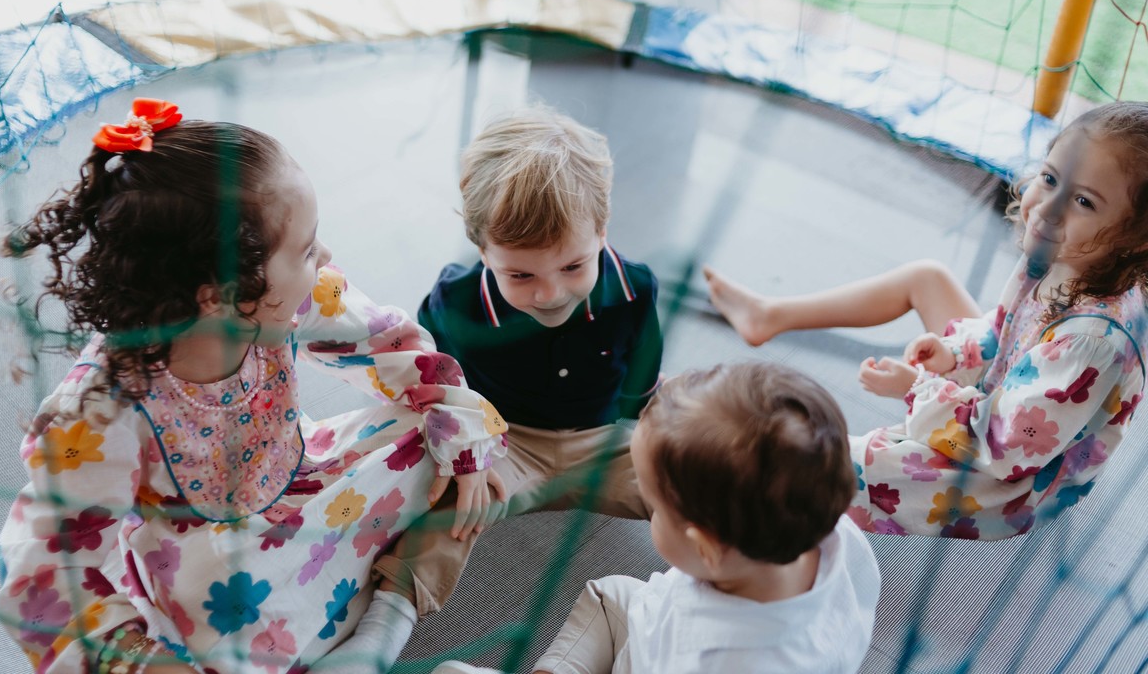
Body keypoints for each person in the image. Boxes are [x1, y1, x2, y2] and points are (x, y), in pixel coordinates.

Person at [0, 99, 507, 674]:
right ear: (221, 295)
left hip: (303, 484)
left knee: (444, 441)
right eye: (307, 250)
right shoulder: (102, 410)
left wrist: (460, 439)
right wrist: (140, 660)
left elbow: (395, 346)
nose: (326, 256)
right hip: (211, 571)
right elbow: (45, 571)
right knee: (232, 608)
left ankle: (375, 628)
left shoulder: (282, 301)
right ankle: (365, 631)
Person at [704, 101, 1148, 539]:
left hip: (1011, 483)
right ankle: (767, 316)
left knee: (843, 466)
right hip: (1008, 404)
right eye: (1049, 179)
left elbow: (1001, 450)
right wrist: (954, 355)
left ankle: (707, 486)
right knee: (927, 278)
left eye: (1083, 201)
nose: (1048, 208)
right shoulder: (1065, 256)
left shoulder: (1093, 342)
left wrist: (917, 389)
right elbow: (1004, 333)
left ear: (1136, 239)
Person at [374, 107, 663, 616]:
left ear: (602, 231)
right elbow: (434, 383)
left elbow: (642, 371)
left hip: (604, 441)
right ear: (484, 252)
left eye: (572, 266)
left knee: (692, 481)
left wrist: (656, 423)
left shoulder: (633, 288)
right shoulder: (455, 303)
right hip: (502, 441)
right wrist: (464, 449)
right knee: (445, 502)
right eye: (521, 276)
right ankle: (386, 620)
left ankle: (720, 596)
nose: (550, 294)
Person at [433, 361, 881, 674]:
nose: (647, 513)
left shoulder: (721, 660)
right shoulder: (834, 534)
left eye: (655, 508)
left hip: (664, 657)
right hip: (655, 631)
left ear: (706, 548)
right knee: (609, 594)